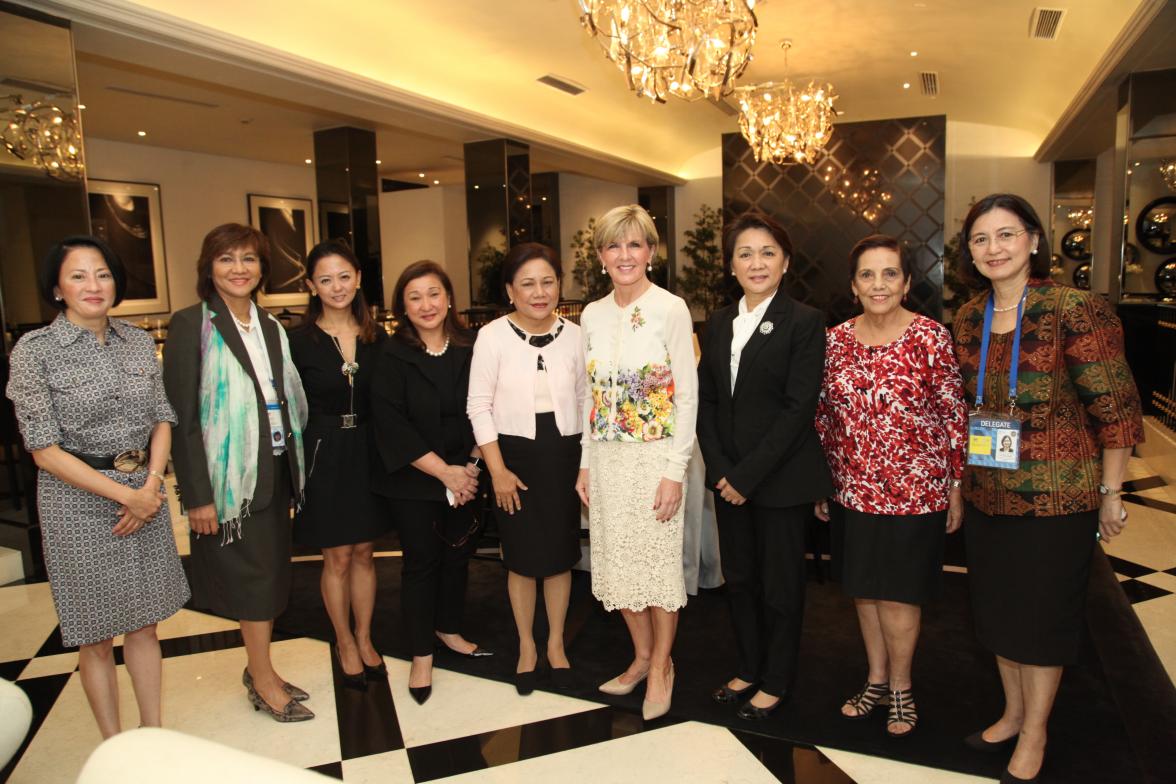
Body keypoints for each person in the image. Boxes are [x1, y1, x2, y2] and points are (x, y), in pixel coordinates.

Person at [952, 194, 1143, 783]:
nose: (994, 249)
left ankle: (1036, 729)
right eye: (981, 239)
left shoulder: (1076, 309)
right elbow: (965, 408)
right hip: (990, 493)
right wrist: (959, 485)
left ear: (1034, 240)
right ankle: (1012, 713)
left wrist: (1112, 493)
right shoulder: (967, 317)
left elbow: (1116, 407)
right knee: (1000, 614)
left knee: (1041, 620)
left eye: (1006, 235)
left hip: (1059, 497)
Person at [6, 236, 189, 738]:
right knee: (97, 636)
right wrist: (125, 495)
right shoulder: (35, 352)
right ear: (57, 288)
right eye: (79, 275)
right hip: (76, 502)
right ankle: (113, 746)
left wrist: (149, 486)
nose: (93, 285)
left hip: (143, 491)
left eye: (103, 274)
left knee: (147, 624)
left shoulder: (135, 340)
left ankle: (151, 735)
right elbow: (43, 450)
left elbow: (162, 419)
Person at [813, 234, 968, 737]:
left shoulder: (929, 337)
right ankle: (875, 679)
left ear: (905, 282)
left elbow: (952, 414)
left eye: (889, 274)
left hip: (916, 492)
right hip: (851, 489)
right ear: (853, 284)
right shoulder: (834, 340)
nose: (878, 284)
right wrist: (822, 481)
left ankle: (901, 687)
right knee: (864, 593)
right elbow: (822, 418)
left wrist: (955, 485)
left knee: (900, 597)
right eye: (867, 275)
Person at [163, 223, 311, 722]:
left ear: (261, 268)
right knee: (252, 580)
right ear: (209, 267)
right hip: (229, 479)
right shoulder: (192, 324)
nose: (239, 269)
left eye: (249, 259)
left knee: (270, 577)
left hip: (272, 467)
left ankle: (260, 666)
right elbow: (181, 415)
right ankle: (263, 678)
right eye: (226, 259)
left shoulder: (270, 326)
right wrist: (197, 497)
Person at [696, 212, 832, 721]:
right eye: (746, 253)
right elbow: (706, 403)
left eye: (768, 252)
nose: (757, 262)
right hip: (728, 478)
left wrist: (746, 477)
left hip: (778, 480)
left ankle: (777, 678)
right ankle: (748, 666)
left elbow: (799, 410)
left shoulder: (804, 320)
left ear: (786, 261)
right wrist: (721, 470)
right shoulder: (716, 321)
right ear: (731, 265)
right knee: (741, 580)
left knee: (779, 587)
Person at [575, 204, 697, 721]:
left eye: (635, 244)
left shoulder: (671, 308)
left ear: (651, 252)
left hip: (655, 461)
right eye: (614, 245)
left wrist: (676, 471)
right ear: (601, 256)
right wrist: (583, 463)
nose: (624, 255)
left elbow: (687, 396)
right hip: (605, 461)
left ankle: (664, 665)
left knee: (658, 571)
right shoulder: (590, 314)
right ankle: (642, 657)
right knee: (620, 569)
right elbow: (591, 395)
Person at [467, 243, 585, 695]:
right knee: (520, 559)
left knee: (558, 556)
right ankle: (526, 646)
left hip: (563, 454)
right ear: (510, 291)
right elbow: (478, 405)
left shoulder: (575, 335)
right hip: (511, 455)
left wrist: (585, 465)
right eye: (528, 284)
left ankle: (555, 643)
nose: (540, 292)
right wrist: (496, 469)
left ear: (559, 286)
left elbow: (585, 401)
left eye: (548, 281)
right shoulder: (492, 336)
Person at [370, 260, 490, 705]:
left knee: (459, 558)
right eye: (415, 296)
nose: (426, 304)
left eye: (434, 293)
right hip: (415, 477)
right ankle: (421, 652)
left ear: (449, 297)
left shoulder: (472, 345)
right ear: (403, 305)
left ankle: (449, 627)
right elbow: (391, 422)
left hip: (469, 473)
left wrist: (472, 469)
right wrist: (445, 472)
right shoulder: (391, 353)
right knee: (421, 563)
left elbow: (489, 404)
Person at [289, 240, 389, 688]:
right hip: (323, 451)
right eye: (325, 279)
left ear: (359, 278)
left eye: (344, 276)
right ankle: (344, 641)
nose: (336, 287)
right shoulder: (298, 342)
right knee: (337, 557)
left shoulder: (377, 337)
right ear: (311, 285)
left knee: (366, 552)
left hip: (369, 449)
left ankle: (366, 637)